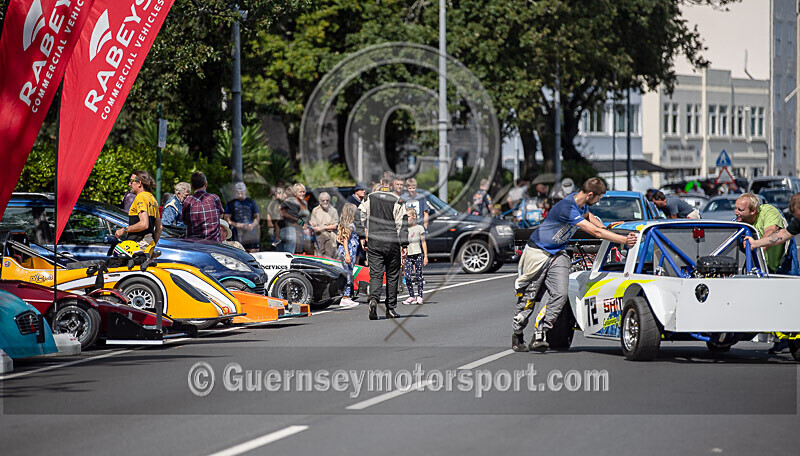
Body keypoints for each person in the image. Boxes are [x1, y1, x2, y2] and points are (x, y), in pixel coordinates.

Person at [512, 177, 638, 353]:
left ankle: (541, 333)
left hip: (558, 253)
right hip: (537, 253)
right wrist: (624, 240)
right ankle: (517, 333)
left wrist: (606, 227)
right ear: (590, 194)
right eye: (599, 198)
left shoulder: (581, 204)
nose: (599, 201)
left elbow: (590, 217)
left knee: (561, 294)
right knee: (529, 298)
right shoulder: (567, 207)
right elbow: (594, 232)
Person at [357, 172, 409, 320]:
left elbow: (358, 215)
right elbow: (402, 224)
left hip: (374, 240)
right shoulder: (397, 200)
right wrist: (404, 244)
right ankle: (390, 309)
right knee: (392, 276)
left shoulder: (369, 198)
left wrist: (362, 235)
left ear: (380, 182)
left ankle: (373, 299)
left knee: (376, 274)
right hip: (391, 241)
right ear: (392, 184)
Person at [735, 193, 787, 273]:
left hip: (783, 263)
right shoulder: (738, 222)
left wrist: (757, 248)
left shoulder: (768, 211)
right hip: (758, 265)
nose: (736, 212)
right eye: (735, 208)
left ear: (753, 211)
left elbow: (771, 231)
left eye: (740, 210)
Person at [114, 171, 162, 254]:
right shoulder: (152, 199)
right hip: (148, 244)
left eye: (131, 181)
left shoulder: (140, 197)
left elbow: (144, 224)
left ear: (139, 183)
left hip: (137, 244)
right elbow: (159, 228)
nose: (129, 184)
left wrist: (124, 230)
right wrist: (152, 244)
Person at [182, 171, 225, 242]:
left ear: (191, 186)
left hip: (195, 245)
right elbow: (221, 215)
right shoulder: (214, 198)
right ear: (206, 184)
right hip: (214, 245)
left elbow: (185, 221)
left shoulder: (188, 201)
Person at [224, 182, 261, 252]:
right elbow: (226, 219)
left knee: (254, 252)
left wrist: (252, 225)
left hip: (250, 232)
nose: (240, 194)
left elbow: (257, 217)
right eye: (238, 192)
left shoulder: (251, 202)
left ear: (245, 191)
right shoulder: (231, 203)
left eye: (242, 192)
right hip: (237, 233)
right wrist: (239, 225)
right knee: (238, 252)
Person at [402, 208, 428, 305]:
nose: (406, 219)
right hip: (408, 255)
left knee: (418, 275)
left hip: (417, 254)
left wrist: (425, 256)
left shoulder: (419, 228)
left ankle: (420, 296)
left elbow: (423, 242)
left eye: (408, 217)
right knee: (407, 276)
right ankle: (411, 296)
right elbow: (402, 243)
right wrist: (402, 256)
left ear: (414, 216)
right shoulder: (403, 229)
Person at [336, 203, 360, 306]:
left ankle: (346, 295)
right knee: (349, 273)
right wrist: (347, 254)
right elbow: (346, 240)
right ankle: (346, 296)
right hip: (349, 251)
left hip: (346, 250)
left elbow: (340, 237)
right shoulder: (350, 226)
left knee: (347, 273)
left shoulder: (344, 224)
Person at [280, 183, 310, 254]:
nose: (302, 193)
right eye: (300, 192)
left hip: (302, 230)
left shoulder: (304, 203)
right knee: (291, 253)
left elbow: (302, 217)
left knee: (301, 251)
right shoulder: (291, 201)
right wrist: (300, 222)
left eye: (303, 191)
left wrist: (308, 223)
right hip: (290, 229)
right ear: (295, 193)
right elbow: (282, 212)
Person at [311, 191, 339, 258]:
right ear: (319, 201)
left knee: (329, 259)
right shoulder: (315, 210)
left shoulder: (333, 210)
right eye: (323, 200)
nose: (325, 202)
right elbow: (313, 225)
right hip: (319, 238)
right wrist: (313, 226)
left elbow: (335, 226)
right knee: (318, 259)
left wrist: (322, 227)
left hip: (330, 238)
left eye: (327, 200)